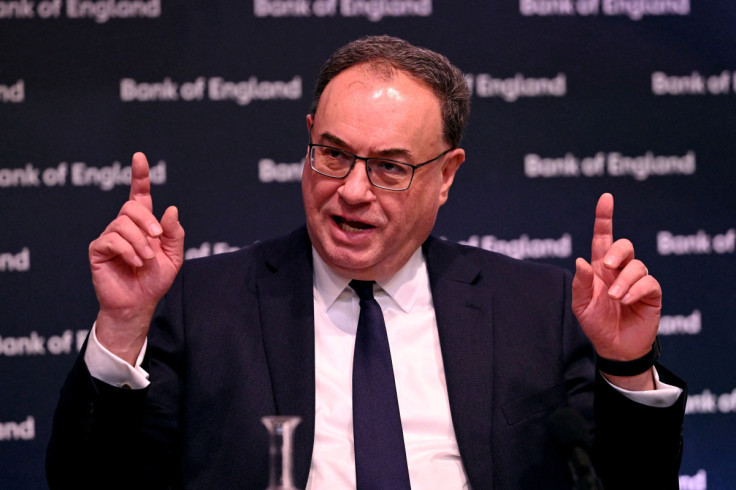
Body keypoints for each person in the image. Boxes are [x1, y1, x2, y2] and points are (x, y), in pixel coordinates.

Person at [47, 36, 686, 489]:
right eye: (332, 153)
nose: (352, 189)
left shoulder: (537, 310)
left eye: (389, 166)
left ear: (446, 176)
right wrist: (123, 328)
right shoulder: (200, 304)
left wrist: (628, 369)